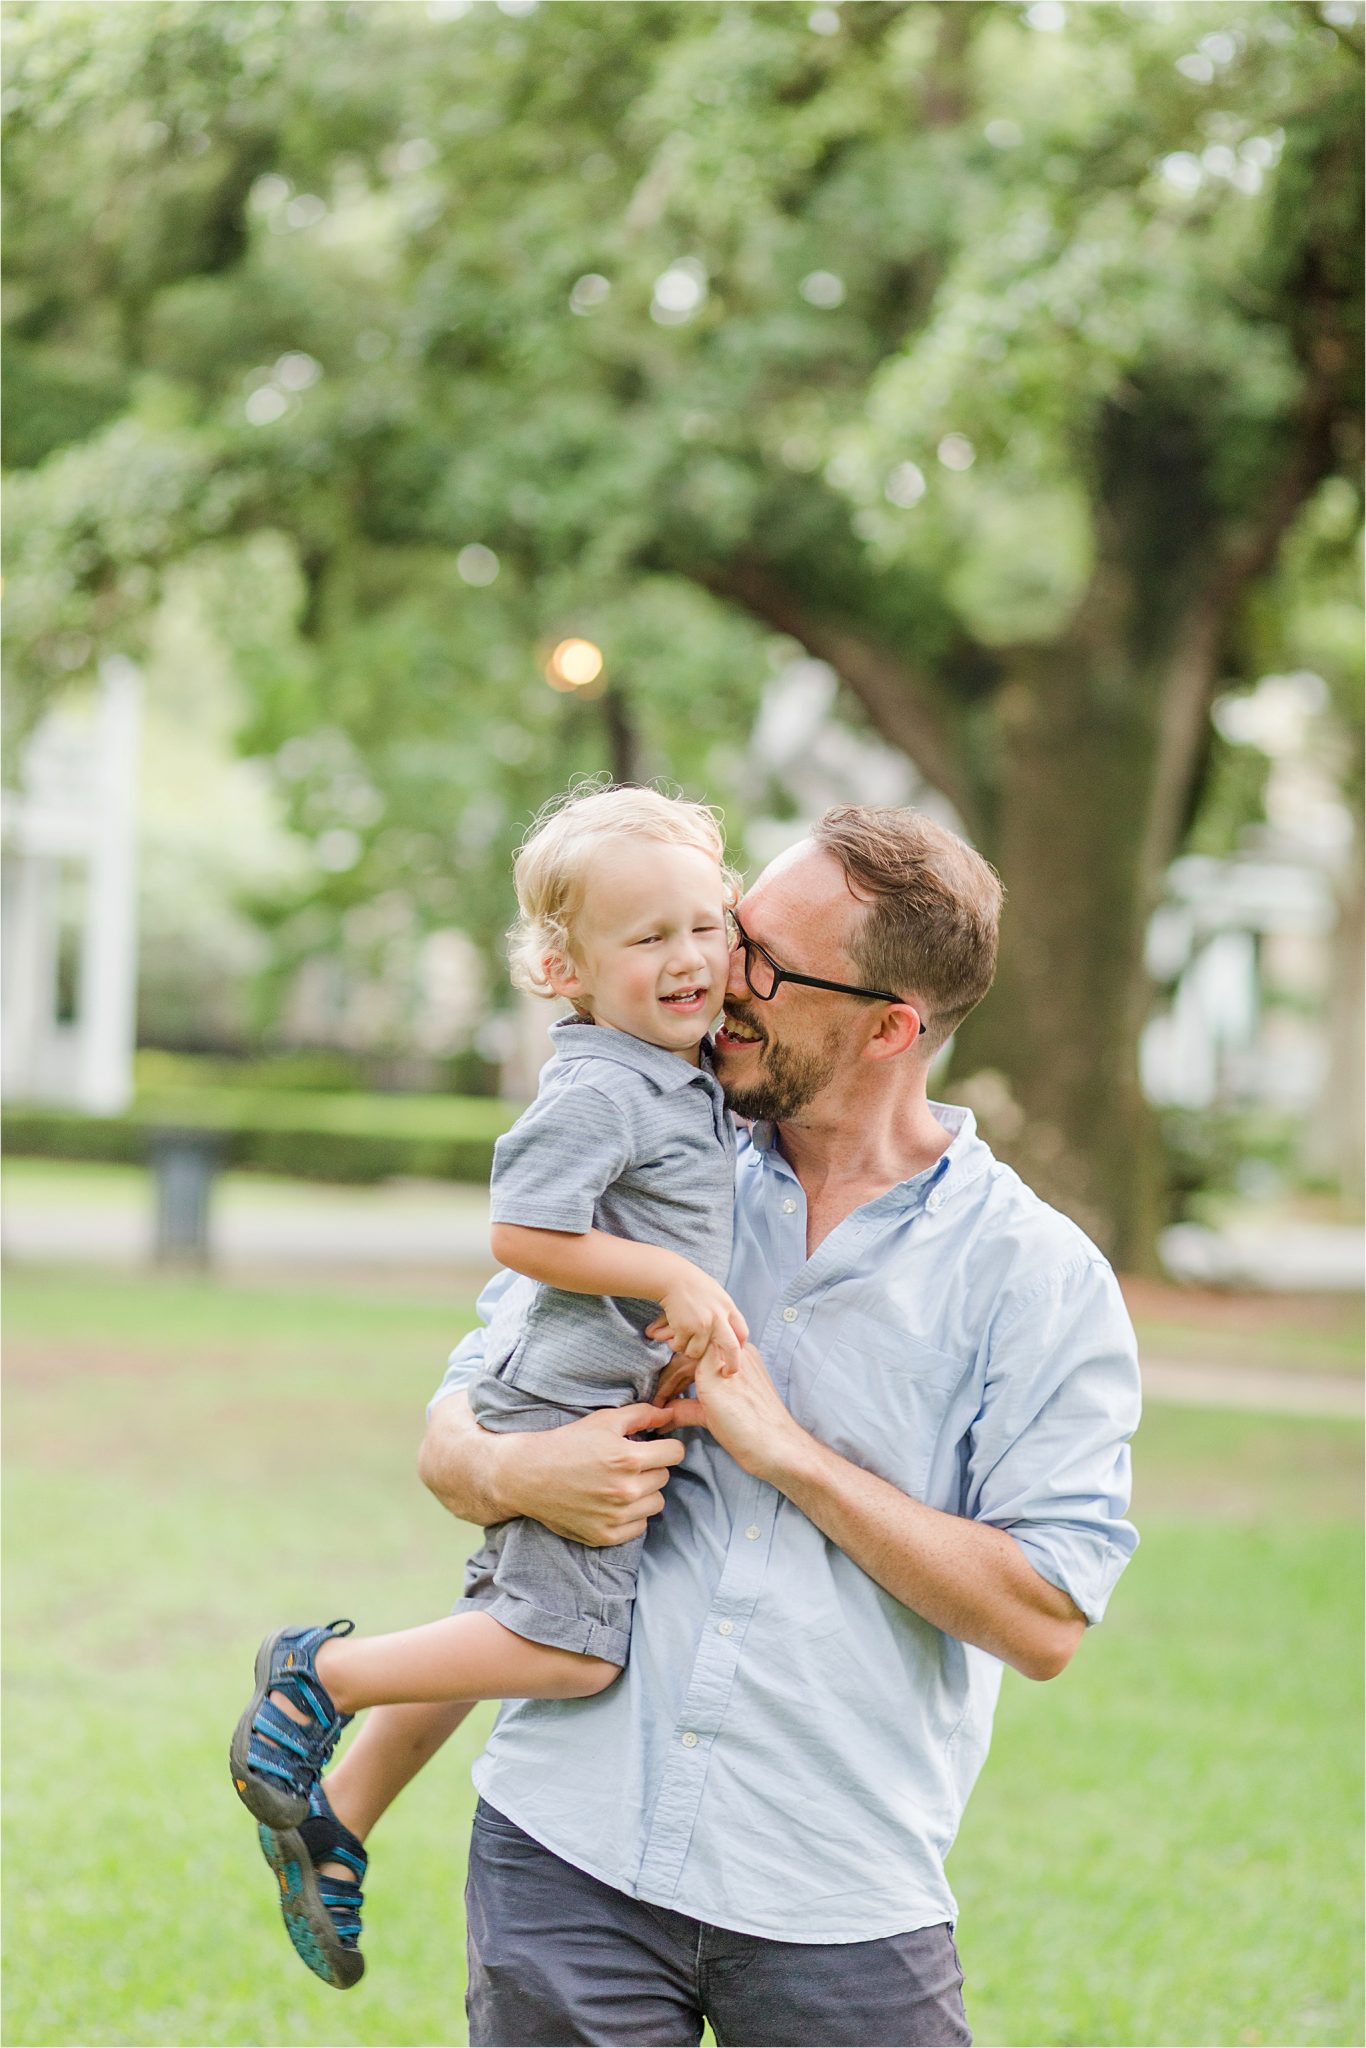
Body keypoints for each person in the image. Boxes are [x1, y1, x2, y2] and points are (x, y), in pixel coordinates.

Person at [419, 805, 1142, 2048]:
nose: (722, 980)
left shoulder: (1037, 1274)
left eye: (766, 965)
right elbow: (455, 1424)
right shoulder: (651, 1146)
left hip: (836, 1897)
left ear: (891, 1027)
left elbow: (1043, 1616)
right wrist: (513, 1466)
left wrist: (790, 1457)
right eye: (729, 935)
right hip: (568, 1847)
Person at [230, 783, 751, 1988]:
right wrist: (665, 1271)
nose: (688, 959)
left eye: (704, 925)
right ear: (564, 969)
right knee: (566, 1653)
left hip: (578, 1390)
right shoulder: (602, 1085)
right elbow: (522, 1227)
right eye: (647, 938)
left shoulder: (672, 1064)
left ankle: (337, 1820)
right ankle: (321, 1675)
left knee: (491, 1625)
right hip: (563, 1405)